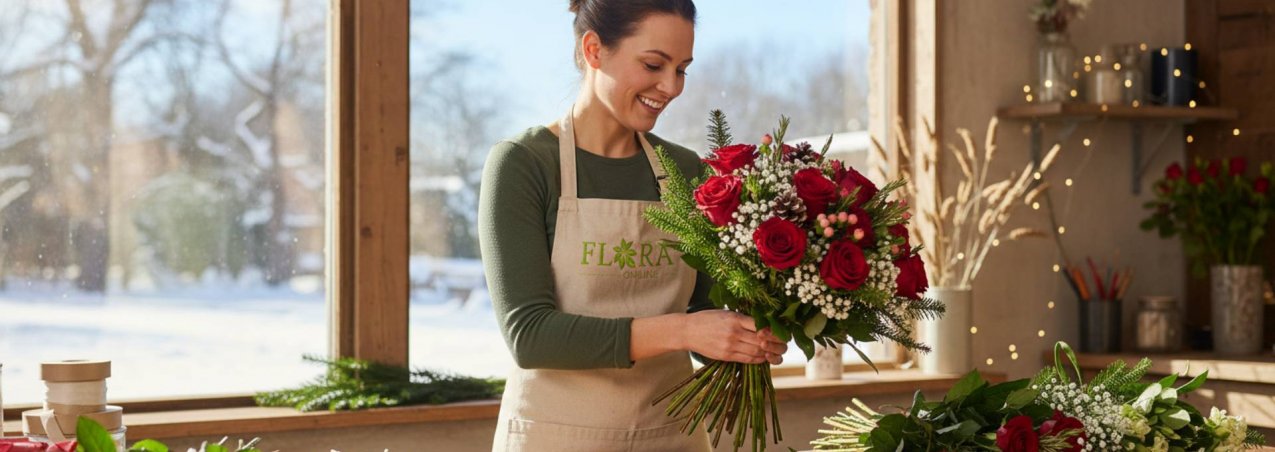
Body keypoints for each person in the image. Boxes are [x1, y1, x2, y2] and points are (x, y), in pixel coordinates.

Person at [478, 0, 788, 450]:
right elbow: (530, 335)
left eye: (682, 70)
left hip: (672, 436)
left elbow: (705, 311)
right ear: (593, 49)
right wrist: (683, 331)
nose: (671, 87)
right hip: (557, 438)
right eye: (653, 65)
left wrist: (748, 335)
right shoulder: (524, 164)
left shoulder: (685, 170)